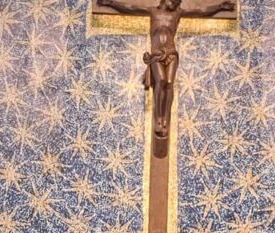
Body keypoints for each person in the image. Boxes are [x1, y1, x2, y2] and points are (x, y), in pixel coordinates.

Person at [97, 0, 235, 140]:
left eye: (177, 1)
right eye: (173, 0)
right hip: (157, 54)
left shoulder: (177, 13)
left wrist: (219, 7)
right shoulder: (153, 11)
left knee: (169, 83)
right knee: (161, 80)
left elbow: (200, 12)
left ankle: (165, 118)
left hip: (171, 54)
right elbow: (130, 8)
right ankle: (158, 117)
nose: (175, 2)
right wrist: (111, 3)